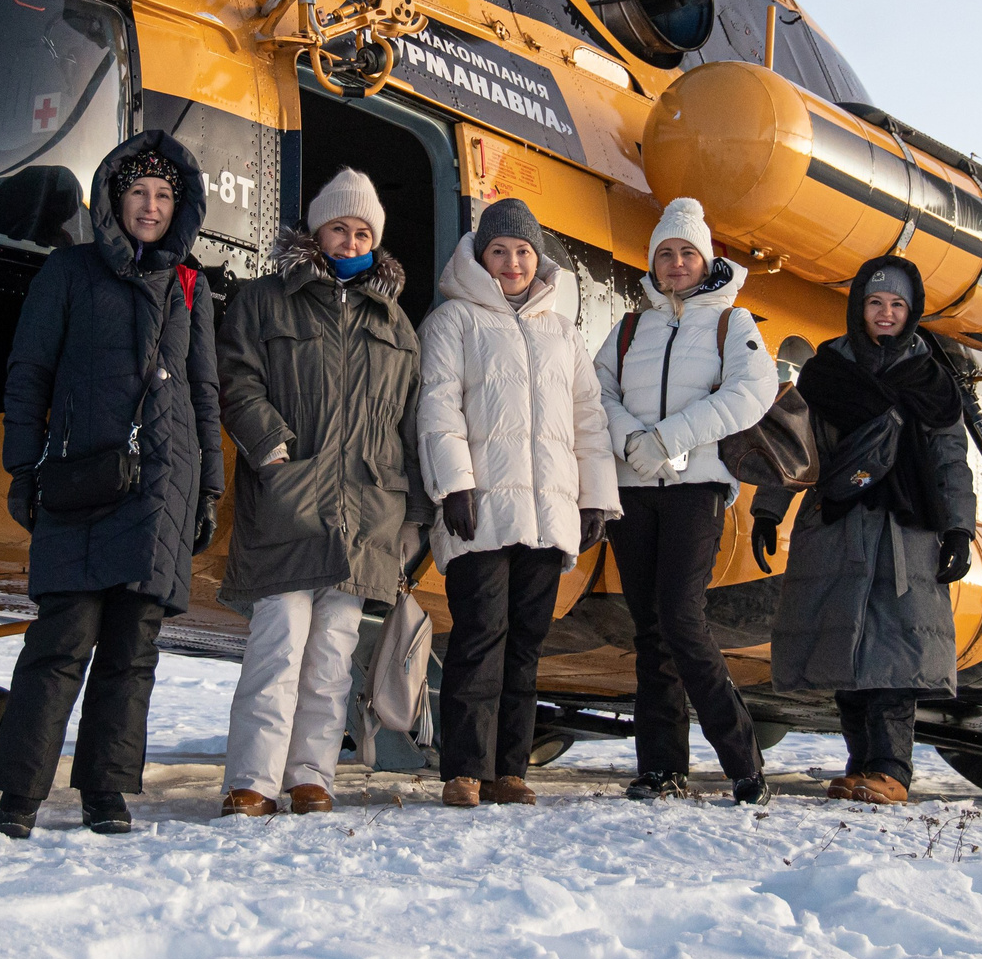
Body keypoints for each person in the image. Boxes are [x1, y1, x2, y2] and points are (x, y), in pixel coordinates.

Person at [0, 130, 223, 839]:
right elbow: (28, 373)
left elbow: (203, 393)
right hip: (82, 480)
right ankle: (19, 797)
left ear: (179, 206)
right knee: (60, 644)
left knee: (132, 653)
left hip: (163, 488)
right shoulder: (69, 272)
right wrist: (21, 467)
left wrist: (207, 487)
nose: (150, 207)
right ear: (114, 199)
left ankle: (106, 795)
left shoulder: (191, 284)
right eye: (138, 192)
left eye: (163, 195)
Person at [213, 168, 430, 818]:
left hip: (367, 514)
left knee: (334, 656)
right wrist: (269, 444)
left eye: (362, 229)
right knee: (276, 645)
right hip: (287, 503)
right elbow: (236, 377)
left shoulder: (397, 323)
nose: (350, 237)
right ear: (318, 230)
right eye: (340, 226)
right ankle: (252, 779)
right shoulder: (265, 300)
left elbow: (413, 422)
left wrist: (415, 516)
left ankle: (312, 777)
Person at [416, 197, 617, 809]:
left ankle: (510, 770)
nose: (511, 263)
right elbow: (437, 406)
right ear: (480, 256)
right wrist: (452, 485)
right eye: (499, 251)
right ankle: (464, 770)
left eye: (522, 252)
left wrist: (595, 500)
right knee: (480, 636)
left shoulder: (562, 333)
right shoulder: (453, 322)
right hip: (479, 510)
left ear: (538, 260)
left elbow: (589, 420)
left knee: (526, 644)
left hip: (547, 514)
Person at [759, 256, 976, 806]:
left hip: (908, 532)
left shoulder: (932, 380)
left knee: (894, 657)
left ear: (911, 311)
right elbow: (796, 444)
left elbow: (951, 459)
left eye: (897, 305)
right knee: (847, 656)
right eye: (876, 303)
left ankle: (890, 771)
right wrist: (768, 508)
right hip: (838, 524)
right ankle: (861, 767)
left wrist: (959, 530)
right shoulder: (827, 369)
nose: (885, 313)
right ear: (859, 306)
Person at [595, 198, 778, 804]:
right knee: (650, 628)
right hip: (635, 490)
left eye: (686, 253)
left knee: (682, 618)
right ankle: (660, 766)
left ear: (706, 261)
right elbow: (596, 394)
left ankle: (743, 763)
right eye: (665, 254)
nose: (675, 264)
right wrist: (630, 442)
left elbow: (751, 392)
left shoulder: (732, 324)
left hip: (696, 489)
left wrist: (670, 438)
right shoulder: (628, 328)